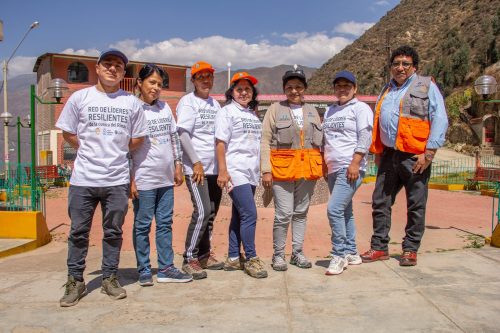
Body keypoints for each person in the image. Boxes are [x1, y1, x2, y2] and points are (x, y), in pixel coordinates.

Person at [56, 49, 148, 307]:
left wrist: (115, 150)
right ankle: (75, 280)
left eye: (118, 65)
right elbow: (67, 132)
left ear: (123, 72)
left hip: (116, 179)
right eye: (107, 64)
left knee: (113, 231)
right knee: (78, 232)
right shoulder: (80, 98)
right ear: (97, 68)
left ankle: (109, 277)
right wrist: (88, 148)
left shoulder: (131, 102)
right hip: (83, 179)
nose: (112, 68)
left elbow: (138, 137)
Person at [361, 45, 448, 266]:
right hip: (390, 154)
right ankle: (379, 247)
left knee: (415, 203)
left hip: (415, 155)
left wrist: (429, 153)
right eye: (396, 64)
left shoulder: (427, 86)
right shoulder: (387, 90)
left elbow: (440, 118)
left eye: (405, 64)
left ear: (414, 67)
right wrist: (379, 152)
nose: (400, 68)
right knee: (380, 200)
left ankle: (410, 249)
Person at [130, 64, 193, 286]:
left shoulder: (165, 108)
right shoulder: (133, 108)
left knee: (165, 223)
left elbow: (174, 138)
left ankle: (166, 268)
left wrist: (178, 164)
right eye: (152, 83)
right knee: (143, 224)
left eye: (159, 84)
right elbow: (126, 147)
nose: (156, 88)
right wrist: (131, 178)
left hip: (165, 178)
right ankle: (144, 269)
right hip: (144, 178)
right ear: (140, 83)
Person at [260, 66, 323, 271]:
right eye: (290, 87)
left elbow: (319, 142)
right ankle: (278, 255)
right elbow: (265, 140)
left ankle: (297, 253)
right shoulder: (274, 109)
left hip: (306, 171)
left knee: (301, 212)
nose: (294, 91)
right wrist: (266, 170)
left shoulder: (312, 111)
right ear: (284, 89)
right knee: (283, 213)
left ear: (304, 88)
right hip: (282, 170)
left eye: (298, 86)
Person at [215, 72, 268, 279]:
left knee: (239, 215)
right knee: (250, 214)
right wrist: (223, 170)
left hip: (250, 171)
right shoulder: (226, 112)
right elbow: (220, 143)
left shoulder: (252, 114)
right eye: (239, 89)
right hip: (235, 171)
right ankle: (252, 258)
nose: (244, 92)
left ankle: (233, 258)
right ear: (232, 92)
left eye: (248, 89)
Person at [177, 61, 224, 280]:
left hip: (215, 168)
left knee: (211, 213)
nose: (206, 80)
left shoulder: (215, 105)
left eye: (209, 76)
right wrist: (195, 162)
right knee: (203, 211)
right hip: (197, 169)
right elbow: (183, 134)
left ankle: (204, 254)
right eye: (200, 77)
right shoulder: (188, 102)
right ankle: (189, 257)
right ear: (193, 81)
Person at [322, 71, 373, 275]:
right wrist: (325, 163)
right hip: (333, 167)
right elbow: (327, 139)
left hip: (350, 167)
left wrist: (356, 162)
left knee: (333, 209)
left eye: (347, 86)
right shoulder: (330, 110)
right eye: (338, 86)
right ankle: (352, 252)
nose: (342, 89)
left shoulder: (360, 108)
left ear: (355, 88)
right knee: (345, 211)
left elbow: (365, 136)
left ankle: (339, 254)